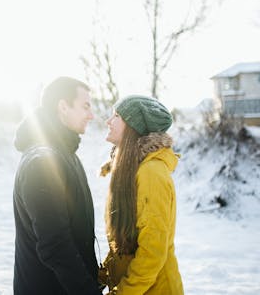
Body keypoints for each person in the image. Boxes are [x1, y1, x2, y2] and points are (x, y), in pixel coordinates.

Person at [13, 76, 102, 295]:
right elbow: (55, 245)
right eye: (85, 106)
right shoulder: (43, 163)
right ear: (63, 106)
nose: (91, 115)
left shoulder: (64, 153)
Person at [99, 95, 184, 295]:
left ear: (132, 126)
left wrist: (123, 292)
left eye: (117, 116)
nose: (108, 121)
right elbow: (123, 245)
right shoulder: (129, 170)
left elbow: (152, 252)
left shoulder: (151, 174)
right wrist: (102, 276)